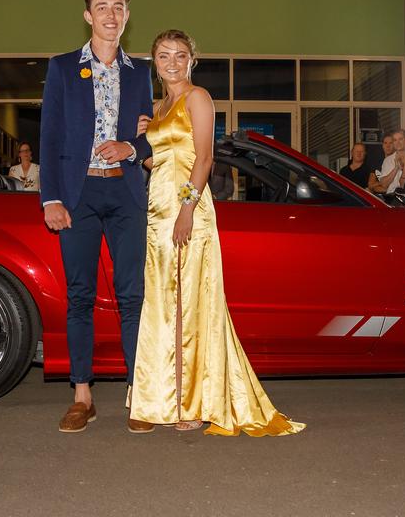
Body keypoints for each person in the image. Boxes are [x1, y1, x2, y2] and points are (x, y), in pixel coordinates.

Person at [129, 29, 303, 436]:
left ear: (192, 60)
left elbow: (204, 159)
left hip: (188, 211)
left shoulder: (198, 98)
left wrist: (187, 209)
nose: (172, 61)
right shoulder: (159, 106)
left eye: (180, 54)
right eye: (164, 55)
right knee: (160, 306)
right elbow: (162, 162)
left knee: (189, 306)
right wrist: (144, 143)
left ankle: (192, 402)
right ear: (154, 61)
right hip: (157, 214)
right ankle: (159, 399)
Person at [40, 0, 155, 434]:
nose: (111, 13)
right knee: (80, 297)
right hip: (78, 195)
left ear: (127, 16)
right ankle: (82, 395)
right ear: (88, 16)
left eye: (119, 6)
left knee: (133, 298)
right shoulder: (63, 67)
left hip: (126, 195)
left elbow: (152, 137)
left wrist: (132, 146)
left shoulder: (141, 71)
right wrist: (51, 197)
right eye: (102, 6)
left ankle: (137, 394)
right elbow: (49, 135)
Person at [369, 131, 405, 196]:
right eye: (385, 143)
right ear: (382, 145)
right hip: (382, 196)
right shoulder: (377, 162)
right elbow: (371, 185)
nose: (388, 146)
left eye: (390, 143)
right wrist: (384, 185)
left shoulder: (402, 158)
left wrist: (381, 185)